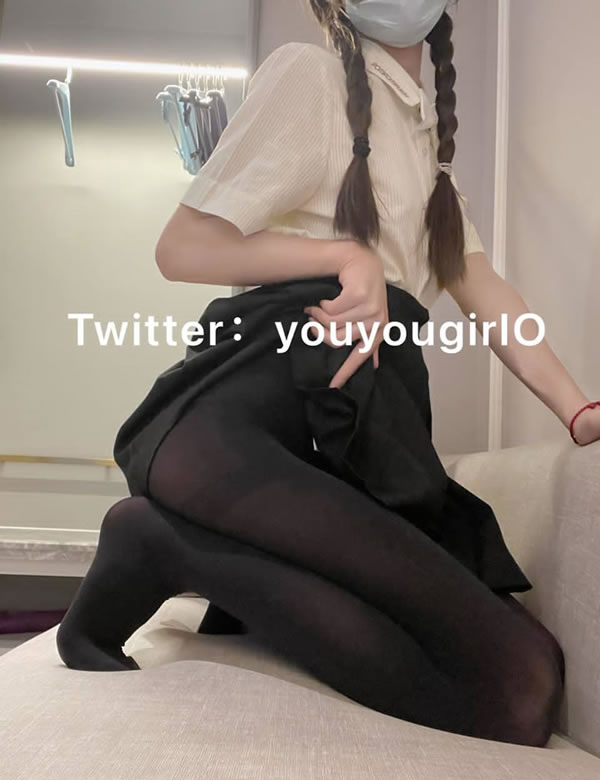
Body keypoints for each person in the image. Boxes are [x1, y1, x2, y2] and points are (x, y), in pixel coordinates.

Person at [56, 0, 600, 748]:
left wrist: (578, 409)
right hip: (241, 426)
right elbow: (183, 246)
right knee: (517, 684)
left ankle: (161, 545)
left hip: (347, 439)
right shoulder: (309, 77)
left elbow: (490, 295)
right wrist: (346, 255)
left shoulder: (426, 155)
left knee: (522, 678)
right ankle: (160, 545)